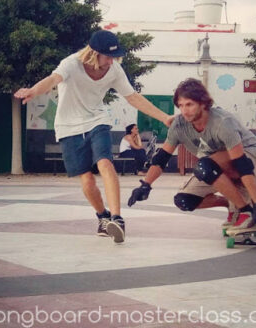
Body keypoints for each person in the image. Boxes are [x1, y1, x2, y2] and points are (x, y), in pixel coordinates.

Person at [14, 30, 172, 243]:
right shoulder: (72, 63)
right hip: (68, 126)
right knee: (87, 180)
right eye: (107, 56)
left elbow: (133, 98)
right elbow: (53, 79)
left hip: (97, 120)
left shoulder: (115, 70)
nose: (111, 62)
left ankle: (117, 218)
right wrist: (33, 90)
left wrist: (164, 117)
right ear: (94, 53)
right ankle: (103, 216)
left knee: (105, 163)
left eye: (114, 57)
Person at [128, 78, 256, 235]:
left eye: (189, 104)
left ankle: (246, 210)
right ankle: (233, 202)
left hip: (251, 158)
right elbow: (162, 158)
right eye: (181, 105)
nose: (184, 111)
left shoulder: (222, 122)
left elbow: (242, 164)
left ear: (203, 103)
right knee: (184, 200)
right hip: (216, 164)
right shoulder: (179, 125)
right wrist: (146, 185)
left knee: (205, 167)